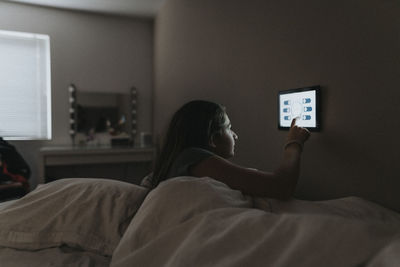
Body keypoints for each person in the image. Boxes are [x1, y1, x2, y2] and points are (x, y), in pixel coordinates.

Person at [147, 100, 310, 200]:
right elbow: (280, 186)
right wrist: (294, 143)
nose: (235, 135)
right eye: (229, 128)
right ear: (212, 138)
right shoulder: (192, 157)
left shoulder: (177, 161)